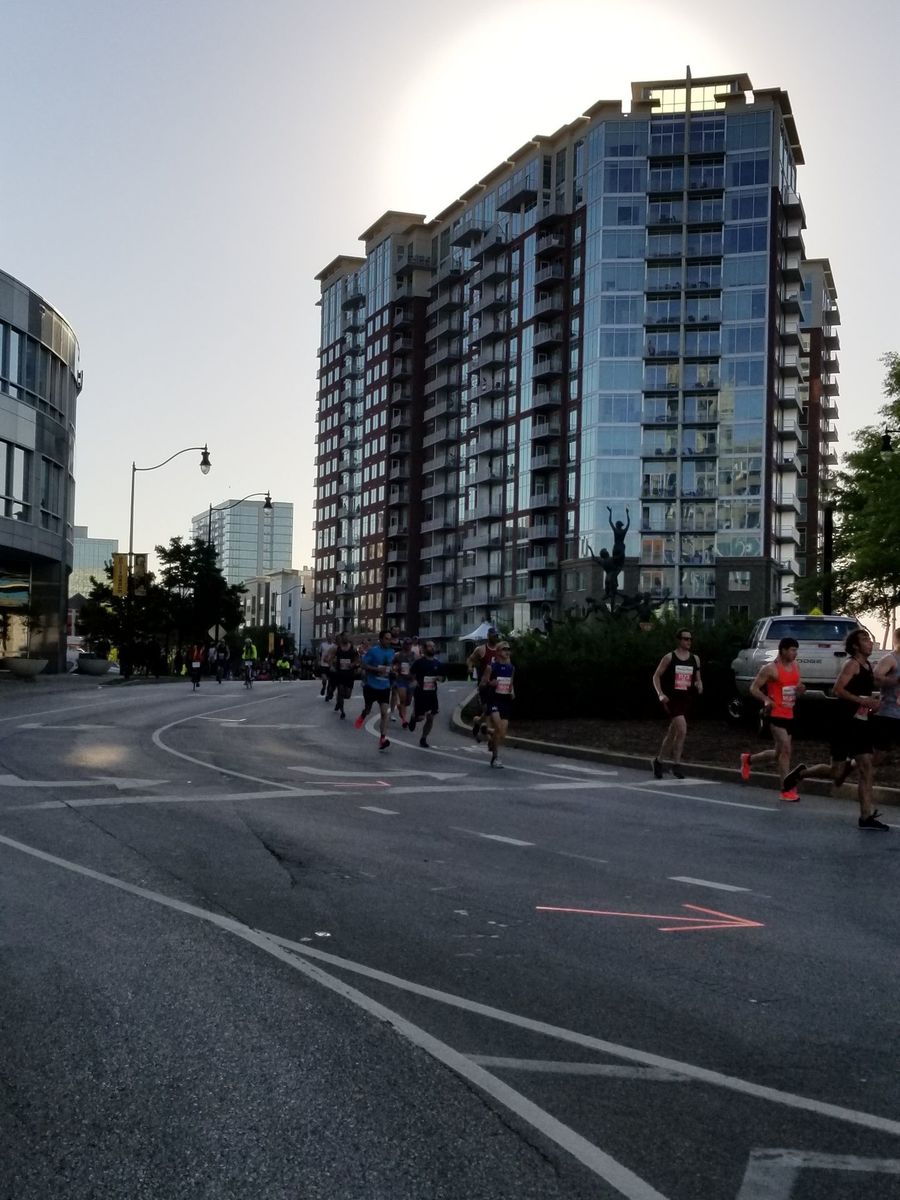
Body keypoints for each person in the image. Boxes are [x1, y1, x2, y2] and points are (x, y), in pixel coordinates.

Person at [783, 629, 889, 830]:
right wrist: (862, 701)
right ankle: (802, 773)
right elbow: (837, 690)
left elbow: (866, 692)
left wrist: (873, 703)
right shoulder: (852, 664)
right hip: (843, 724)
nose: (869, 642)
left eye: (869, 639)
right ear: (855, 646)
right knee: (836, 772)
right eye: (865, 639)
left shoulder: (868, 665)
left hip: (861, 723)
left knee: (866, 767)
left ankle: (866, 817)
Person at [740, 637, 805, 801]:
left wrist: (800, 690)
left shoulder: (796, 666)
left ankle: (748, 760)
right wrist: (766, 700)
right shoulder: (770, 669)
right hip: (775, 713)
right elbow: (753, 688)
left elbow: (796, 687)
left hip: (789, 713)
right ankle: (786, 789)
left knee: (778, 754)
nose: (795, 653)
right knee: (786, 749)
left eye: (796, 650)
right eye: (792, 650)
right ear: (783, 650)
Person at [651, 629, 703, 779]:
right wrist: (660, 693)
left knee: (673, 733)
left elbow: (697, 678)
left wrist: (699, 684)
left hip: (686, 699)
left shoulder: (695, 659)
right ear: (679, 640)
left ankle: (659, 761)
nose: (689, 642)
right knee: (682, 729)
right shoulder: (669, 657)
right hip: (672, 700)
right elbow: (656, 676)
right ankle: (676, 765)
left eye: (690, 639)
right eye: (686, 639)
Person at [355, 629, 395, 751]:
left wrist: (392, 671)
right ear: (381, 639)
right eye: (386, 639)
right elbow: (363, 665)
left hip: (385, 686)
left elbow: (391, 666)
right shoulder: (373, 651)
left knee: (384, 713)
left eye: (390, 639)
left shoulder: (392, 652)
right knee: (368, 709)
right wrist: (376, 670)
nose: (389, 641)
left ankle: (382, 739)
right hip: (371, 686)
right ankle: (363, 714)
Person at [481, 641, 514, 768]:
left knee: (502, 734)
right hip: (494, 701)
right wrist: (490, 683)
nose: (507, 651)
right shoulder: (491, 667)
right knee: (499, 728)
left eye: (508, 649)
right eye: (504, 649)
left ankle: (488, 731)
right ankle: (495, 758)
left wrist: (512, 691)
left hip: (505, 701)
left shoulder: (511, 668)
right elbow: (482, 684)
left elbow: (511, 683)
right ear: (498, 651)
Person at [467, 628, 500, 743]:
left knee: (490, 712)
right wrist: (470, 667)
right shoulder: (481, 649)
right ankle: (490, 739)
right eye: (493, 635)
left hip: (496, 685)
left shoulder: (500, 650)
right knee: (487, 710)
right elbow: (470, 659)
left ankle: (477, 722)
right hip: (484, 685)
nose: (495, 637)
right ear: (488, 636)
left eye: (496, 635)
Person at [408, 641, 444, 747]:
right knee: (420, 718)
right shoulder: (419, 662)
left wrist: (439, 678)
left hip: (432, 694)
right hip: (420, 693)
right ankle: (413, 718)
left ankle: (423, 738)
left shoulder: (438, 664)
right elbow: (411, 674)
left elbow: (443, 678)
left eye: (433, 646)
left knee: (430, 718)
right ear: (424, 649)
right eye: (429, 646)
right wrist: (414, 681)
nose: (432, 648)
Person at [872, 628, 900, 760]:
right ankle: (846, 767)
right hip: (890, 713)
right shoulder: (890, 659)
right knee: (879, 756)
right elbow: (876, 680)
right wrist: (896, 681)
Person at [329, 633, 359, 719]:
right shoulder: (337, 648)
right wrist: (331, 666)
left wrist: (353, 664)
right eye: (345, 636)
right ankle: (342, 711)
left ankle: (338, 701)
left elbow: (357, 659)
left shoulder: (353, 648)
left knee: (347, 695)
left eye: (348, 636)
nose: (346, 638)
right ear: (342, 638)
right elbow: (331, 658)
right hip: (340, 673)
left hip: (349, 674)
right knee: (341, 691)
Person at [391, 638, 417, 728]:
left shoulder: (415, 655)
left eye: (410, 644)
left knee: (408, 702)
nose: (408, 646)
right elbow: (392, 664)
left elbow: (419, 666)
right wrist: (395, 669)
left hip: (411, 681)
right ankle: (404, 720)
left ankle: (399, 707)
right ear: (403, 645)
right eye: (407, 644)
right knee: (402, 699)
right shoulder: (398, 655)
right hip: (401, 680)